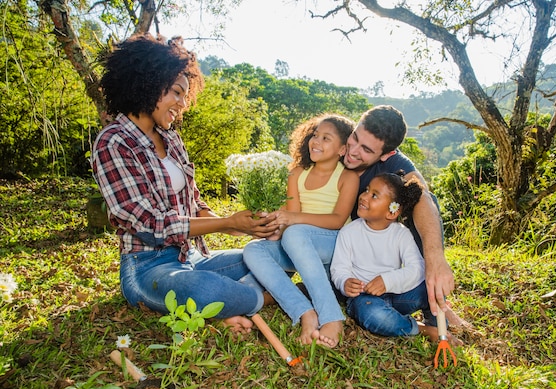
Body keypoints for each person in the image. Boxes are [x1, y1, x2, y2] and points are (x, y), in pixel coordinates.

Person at [90, 34, 278, 334]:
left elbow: (194, 203)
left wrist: (239, 226)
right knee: (199, 289)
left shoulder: (172, 140)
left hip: (191, 256)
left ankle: (228, 302)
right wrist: (227, 223)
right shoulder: (113, 141)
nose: (182, 104)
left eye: (185, 96)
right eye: (177, 93)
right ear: (149, 82)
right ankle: (266, 297)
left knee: (270, 256)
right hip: (148, 268)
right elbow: (149, 224)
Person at [276, 105, 457, 319]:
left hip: (357, 252)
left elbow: (424, 197)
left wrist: (435, 258)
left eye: (367, 150)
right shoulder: (334, 144)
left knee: (421, 200)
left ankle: (435, 308)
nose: (353, 151)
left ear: (387, 154)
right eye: (355, 138)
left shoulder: (395, 163)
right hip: (326, 246)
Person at [243, 114, 359, 348]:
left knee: (295, 234)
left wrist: (293, 220)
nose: (316, 141)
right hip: (297, 244)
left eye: (326, 138)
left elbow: (337, 220)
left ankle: (332, 316)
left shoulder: (347, 177)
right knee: (253, 250)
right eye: (315, 135)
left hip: (332, 243)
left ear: (342, 149)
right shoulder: (297, 173)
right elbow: (291, 217)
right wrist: (275, 227)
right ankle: (305, 311)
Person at [331, 172, 460, 343]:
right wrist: (345, 282)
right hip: (365, 300)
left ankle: (440, 328)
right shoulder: (349, 232)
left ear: (392, 212)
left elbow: (417, 269)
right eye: (367, 190)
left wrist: (387, 281)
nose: (364, 196)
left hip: (396, 295)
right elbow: (339, 268)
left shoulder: (401, 234)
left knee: (433, 287)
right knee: (374, 316)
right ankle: (421, 329)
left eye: (374, 195)